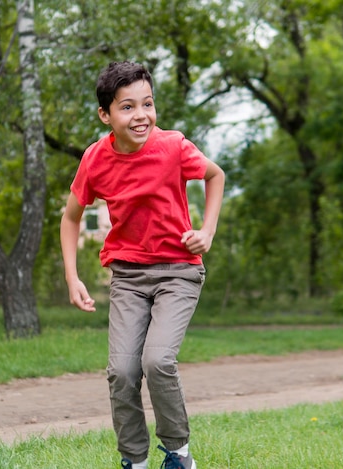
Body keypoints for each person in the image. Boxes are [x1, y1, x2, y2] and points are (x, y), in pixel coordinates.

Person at [60, 62, 225, 469]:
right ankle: (134, 460)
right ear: (106, 115)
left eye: (147, 104)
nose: (141, 116)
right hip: (129, 276)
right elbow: (70, 217)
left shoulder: (172, 146)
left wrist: (206, 231)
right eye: (128, 107)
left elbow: (215, 175)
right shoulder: (95, 159)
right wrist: (72, 276)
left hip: (179, 270)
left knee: (157, 361)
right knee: (121, 371)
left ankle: (178, 452)